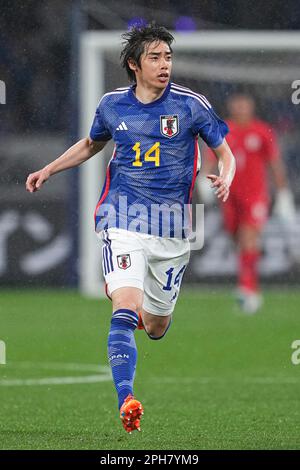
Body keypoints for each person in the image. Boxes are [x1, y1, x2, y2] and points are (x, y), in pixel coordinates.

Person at [26, 23, 236, 433]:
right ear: (133, 65)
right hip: (123, 219)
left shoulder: (191, 105)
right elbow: (92, 143)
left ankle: (142, 314)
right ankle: (127, 399)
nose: (164, 65)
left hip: (176, 228)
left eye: (168, 57)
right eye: (155, 58)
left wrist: (226, 175)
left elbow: (224, 153)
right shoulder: (111, 105)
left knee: (155, 327)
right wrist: (49, 168)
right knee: (124, 309)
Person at [198, 93, 295, 314]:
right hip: (229, 194)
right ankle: (249, 281)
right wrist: (204, 178)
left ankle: (248, 290)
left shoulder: (261, 131)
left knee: (248, 236)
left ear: (251, 107)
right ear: (231, 106)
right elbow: (212, 156)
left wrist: (283, 192)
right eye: (237, 104)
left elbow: (274, 163)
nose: (241, 108)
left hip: (256, 196)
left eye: (245, 104)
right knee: (238, 239)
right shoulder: (223, 130)